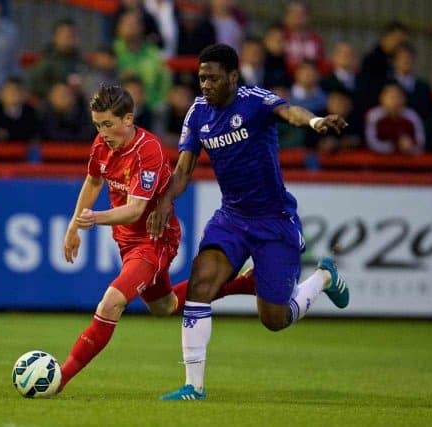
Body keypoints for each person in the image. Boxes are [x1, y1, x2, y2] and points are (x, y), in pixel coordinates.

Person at [147, 44, 350, 401]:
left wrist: (316, 120)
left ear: (233, 77)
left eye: (212, 77)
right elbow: (182, 171)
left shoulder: (254, 100)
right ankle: (193, 387)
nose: (205, 84)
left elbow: (291, 113)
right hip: (232, 218)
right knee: (201, 283)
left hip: (274, 221)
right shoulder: (197, 114)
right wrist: (165, 200)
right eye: (201, 78)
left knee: (274, 318)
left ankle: (323, 277)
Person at [58, 84, 255, 393]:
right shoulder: (101, 145)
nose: (102, 132)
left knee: (110, 304)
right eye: (97, 125)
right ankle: (244, 283)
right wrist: (72, 226)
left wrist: (93, 219)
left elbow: (136, 210)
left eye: (108, 124)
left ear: (128, 119)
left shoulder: (147, 150)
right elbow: (93, 181)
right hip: (127, 241)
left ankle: (59, 378)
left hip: (155, 239)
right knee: (164, 306)